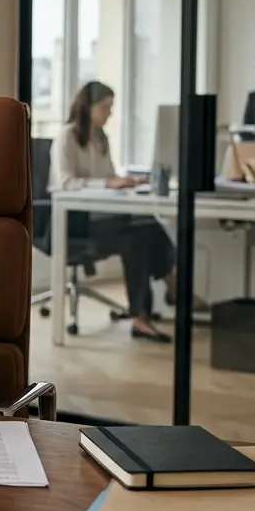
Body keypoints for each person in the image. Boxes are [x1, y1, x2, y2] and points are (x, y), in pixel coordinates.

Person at [49, 81, 182, 342]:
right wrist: (107, 183)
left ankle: (152, 305)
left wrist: (127, 181)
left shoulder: (101, 138)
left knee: (148, 223)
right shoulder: (66, 137)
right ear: (87, 108)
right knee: (139, 237)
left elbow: (108, 176)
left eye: (111, 107)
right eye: (105, 107)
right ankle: (163, 295)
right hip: (78, 222)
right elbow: (64, 182)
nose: (110, 113)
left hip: (104, 217)